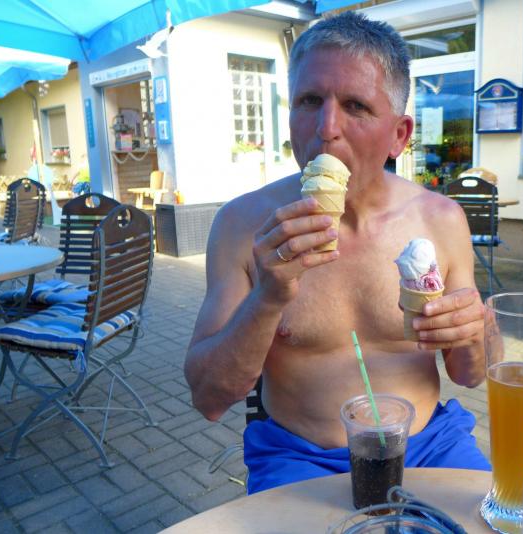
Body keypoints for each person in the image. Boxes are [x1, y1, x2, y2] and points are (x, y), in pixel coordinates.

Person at [184, 12, 489, 495]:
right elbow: (209, 398)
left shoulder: (441, 220)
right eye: (309, 101)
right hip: (299, 454)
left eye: (356, 106)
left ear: (400, 135)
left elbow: (470, 374)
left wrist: (477, 332)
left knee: (502, 522)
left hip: (431, 444)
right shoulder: (242, 225)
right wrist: (267, 298)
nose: (326, 128)